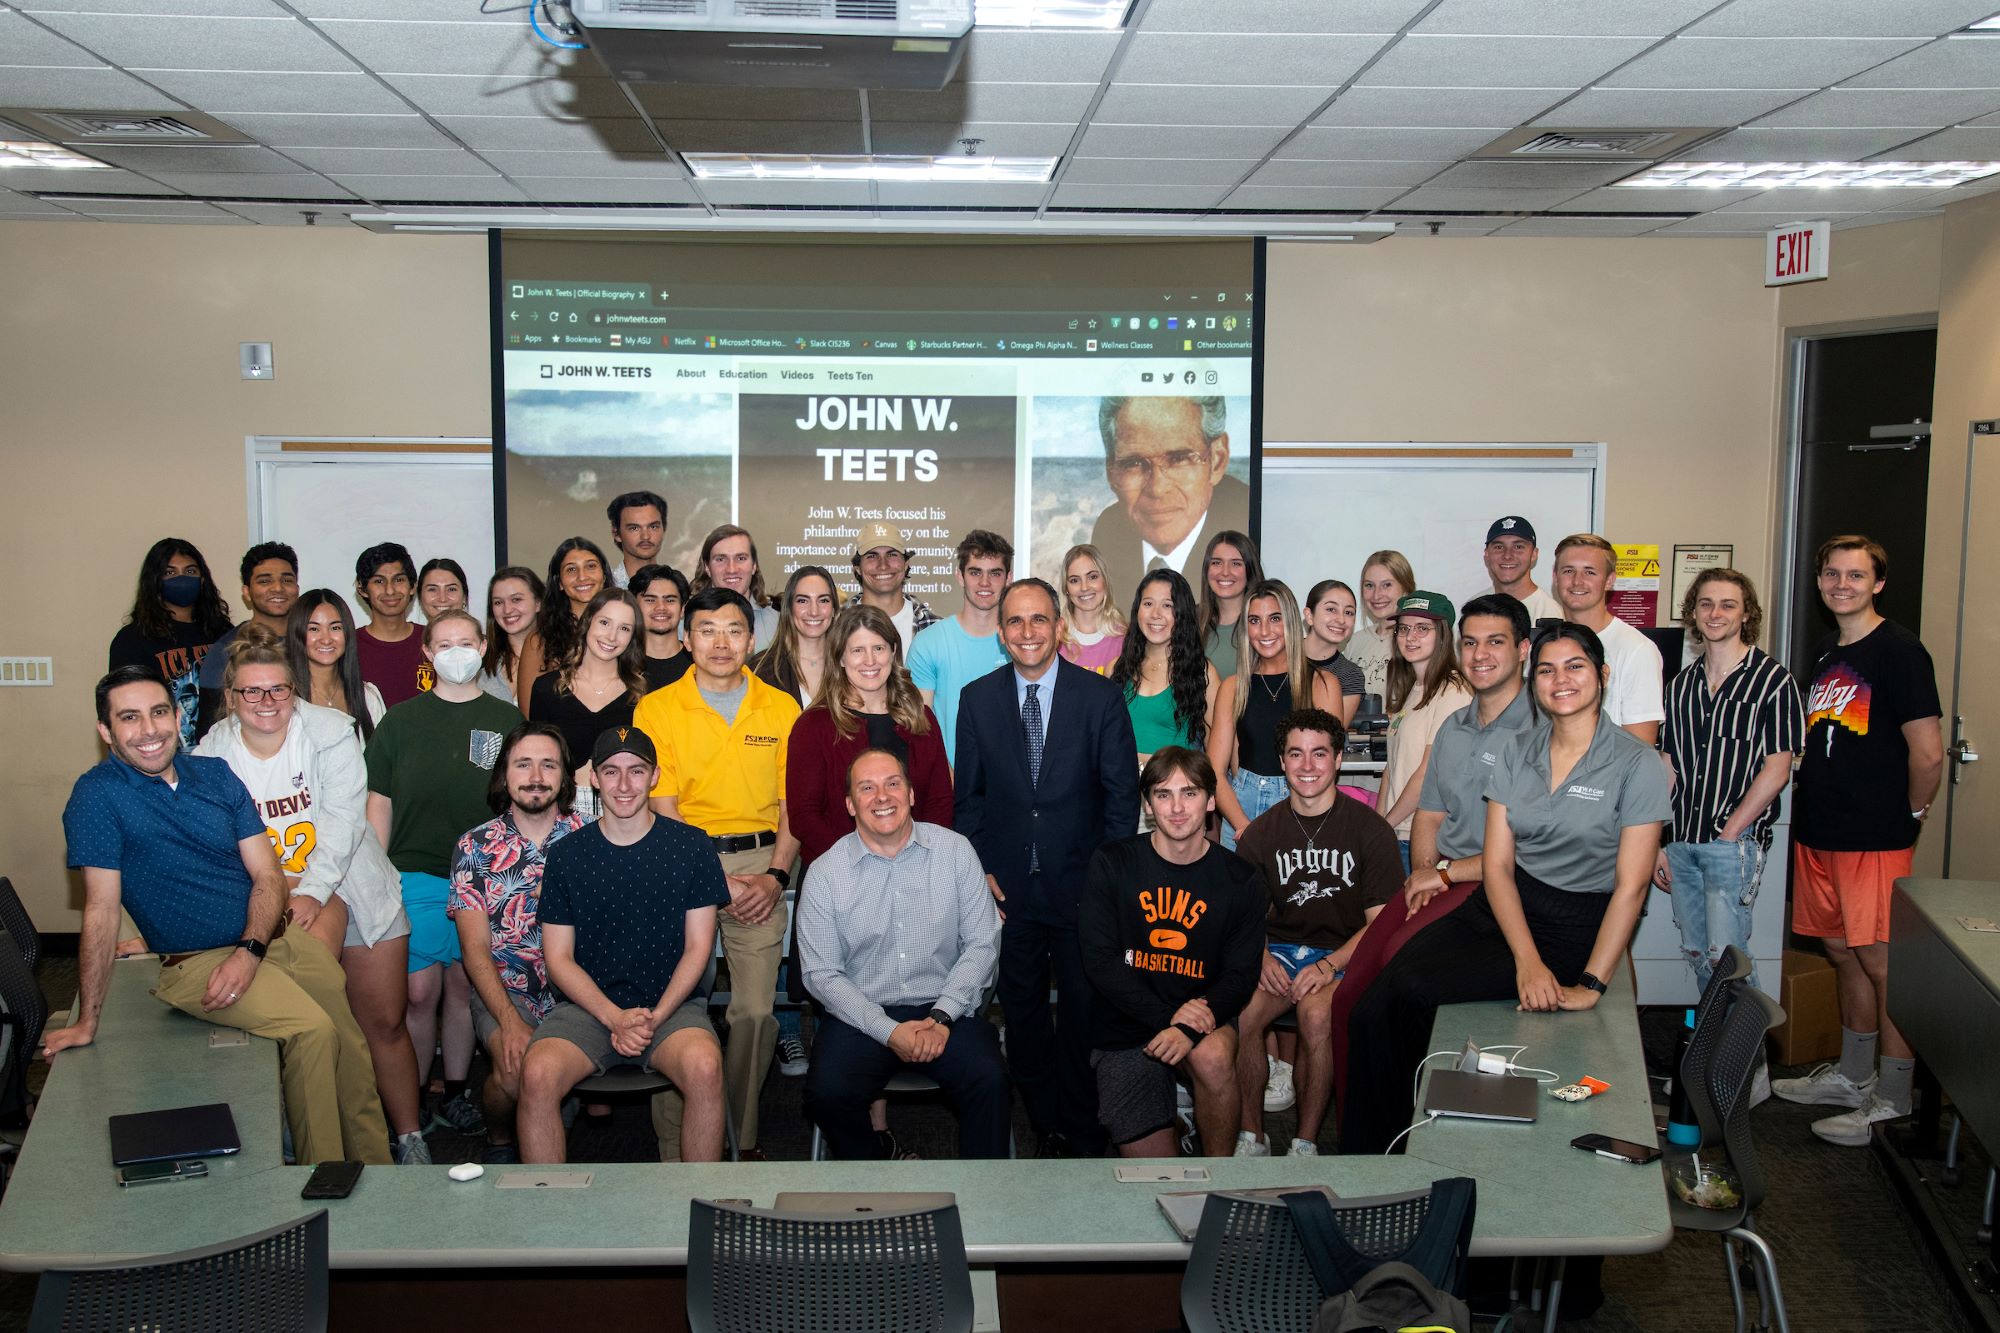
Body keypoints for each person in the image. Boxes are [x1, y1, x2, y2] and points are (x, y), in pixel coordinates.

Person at [1341, 622, 1670, 1154]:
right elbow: (1497, 866)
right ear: (1533, 678)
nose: (1560, 680)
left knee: (1418, 995)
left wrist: (1590, 983)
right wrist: (1526, 960)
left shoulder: (1637, 765)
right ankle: (1371, 1157)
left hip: (1575, 926)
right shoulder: (1518, 750)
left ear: (1602, 675)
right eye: (1546, 669)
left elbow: (1630, 889)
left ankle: (1425, 1150)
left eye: (1575, 666)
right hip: (1504, 906)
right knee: (1372, 1008)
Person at [51, 666, 390, 1165]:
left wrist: (251, 949)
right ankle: (325, 1185)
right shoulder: (97, 796)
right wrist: (87, 1021)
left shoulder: (211, 773)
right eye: (129, 718)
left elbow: (268, 875)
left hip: (268, 941)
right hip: (197, 961)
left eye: (159, 712)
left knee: (349, 1043)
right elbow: (101, 911)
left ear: (176, 718)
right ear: (106, 731)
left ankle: (379, 1175)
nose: (149, 730)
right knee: (309, 1031)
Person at [196, 629, 426, 1163]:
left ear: (294, 689)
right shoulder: (210, 752)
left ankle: (410, 1136)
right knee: (304, 1024)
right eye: (252, 692)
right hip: (266, 893)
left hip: (349, 881)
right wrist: (282, 895)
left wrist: (313, 890)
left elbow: (343, 823)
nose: (267, 702)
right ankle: (300, 1133)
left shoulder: (329, 731)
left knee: (383, 1023)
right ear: (231, 697)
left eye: (278, 689)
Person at [1328, 593, 1536, 1118]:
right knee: (1351, 994)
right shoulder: (1455, 725)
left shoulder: (1539, 730)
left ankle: (1412, 1124)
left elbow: (1523, 843)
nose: (1480, 653)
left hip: (1491, 887)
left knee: (1398, 983)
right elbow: (1429, 814)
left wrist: (1441, 874)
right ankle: (1364, 1139)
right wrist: (1423, 870)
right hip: (1440, 876)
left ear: (1524, 650)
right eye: (1471, 642)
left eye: (1495, 642)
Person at [955, 577, 1140, 1157]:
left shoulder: (1100, 697)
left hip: (1083, 889)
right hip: (1008, 892)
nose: (1027, 632)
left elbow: (1121, 797)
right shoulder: (978, 699)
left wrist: (1108, 880)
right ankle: (1046, 1127)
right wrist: (980, 867)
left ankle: (1082, 1132)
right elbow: (970, 801)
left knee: (1084, 1017)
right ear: (1002, 634)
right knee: (1026, 1020)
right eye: (1015, 622)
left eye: (1039, 620)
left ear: (1058, 627)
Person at [1773, 535, 1943, 1147]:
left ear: (1878, 583)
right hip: (1821, 833)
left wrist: (1912, 813)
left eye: (1855, 575)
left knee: (1880, 960)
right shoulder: (1824, 651)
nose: (1840, 584)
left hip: (1873, 837)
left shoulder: (1899, 652)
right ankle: (1852, 1076)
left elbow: (1928, 753)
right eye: (1831, 574)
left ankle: (1894, 1096)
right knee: (1842, 953)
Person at [633, 586, 801, 1158]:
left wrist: (776, 876)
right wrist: (712, 879)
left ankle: (736, 1133)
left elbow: (792, 806)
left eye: (733, 629)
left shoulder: (781, 707)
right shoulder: (655, 709)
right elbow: (664, 807)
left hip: (762, 869)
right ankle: (675, 1144)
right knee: (675, 1011)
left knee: (754, 1011)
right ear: (685, 639)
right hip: (681, 862)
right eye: (706, 630)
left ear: (752, 639)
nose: (721, 642)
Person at [517, 728, 731, 1164]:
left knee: (705, 1067)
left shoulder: (692, 846)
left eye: (636, 771)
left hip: (671, 1007)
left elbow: (699, 949)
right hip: (589, 1009)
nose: (624, 785)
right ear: (593, 779)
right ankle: (544, 1214)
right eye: (611, 772)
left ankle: (701, 1208)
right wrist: (614, 1017)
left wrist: (654, 1018)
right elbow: (557, 958)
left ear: (654, 777)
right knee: (537, 1073)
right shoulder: (567, 855)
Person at [799, 748, 1009, 1160]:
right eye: (867, 787)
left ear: (911, 794)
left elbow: (983, 942)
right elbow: (822, 974)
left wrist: (941, 1016)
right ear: (849, 804)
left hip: (945, 1007)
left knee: (991, 1080)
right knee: (826, 1092)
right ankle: (873, 1180)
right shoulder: (825, 873)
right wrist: (888, 1031)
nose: (882, 796)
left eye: (893, 783)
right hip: (862, 1014)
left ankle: (982, 1198)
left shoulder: (955, 851)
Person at [366, 609, 525, 1139]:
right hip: (414, 873)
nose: (456, 652)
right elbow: (379, 804)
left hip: (483, 880)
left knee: (463, 987)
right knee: (415, 993)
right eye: (444, 643)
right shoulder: (400, 722)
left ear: (483, 646)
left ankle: (456, 1090)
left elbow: (518, 803)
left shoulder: (506, 720)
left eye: (466, 641)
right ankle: (409, 1093)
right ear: (428, 653)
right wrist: (378, 877)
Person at [1079, 746, 1262, 1158]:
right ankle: (1176, 1123)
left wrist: (1188, 1028)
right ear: (1147, 805)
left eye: (1190, 792)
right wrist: (1167, 1019)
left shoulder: (1240, 880)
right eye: (1163, 794)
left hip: (1201, 1019)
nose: (1177, 807)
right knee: (1155, 1183)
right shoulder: (1113, 863)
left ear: (1211, 801)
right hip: (1126, 1023)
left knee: (1214, 1058)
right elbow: (1099, 960)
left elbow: (1240, 976)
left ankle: (1220, 1178)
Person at [1232, 709, 1399, 1157]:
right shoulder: (1260, 835)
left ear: (1339, 759)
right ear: (1282, 762)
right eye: (1296, 754)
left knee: (1315, 1015)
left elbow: (1382, 923)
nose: (1307, 766)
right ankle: (1252, 1137)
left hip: (1345, 953)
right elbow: (1240, 919)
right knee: (1242, 1014)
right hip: (1280, 951)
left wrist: (1329, 965)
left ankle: (1305, 1142)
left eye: (1319, 754)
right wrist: (1261, 954)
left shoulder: (1371, 831)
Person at [1656, 569, 1804, 993]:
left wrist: (1728, 835)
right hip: (1681, 843)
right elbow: (1669, 765)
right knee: (1698, 954)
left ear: (1746, 615)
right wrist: (1659, 842)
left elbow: (1777, 770)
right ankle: (1714, 1053)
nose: (1714, 613)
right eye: (1705, 604)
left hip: (1731, 845)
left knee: (1729, 957)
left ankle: (1750, 1060)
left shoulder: (1774, 682)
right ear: (1693, 613)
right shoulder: (1680, 686)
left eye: (1727, 605)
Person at [450, 722, 590, 1162]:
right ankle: (497, 1138)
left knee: (547, 1093)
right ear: (504, 775)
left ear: (565, 777)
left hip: (580, 992)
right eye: (523, 764)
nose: (535, 776)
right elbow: (474, 951)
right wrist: (509, 1020)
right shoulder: (475, 846)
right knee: (515, 1072)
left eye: (549, 765)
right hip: (507, 989)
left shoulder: (591, 838)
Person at [1208, 579, 1343, 851]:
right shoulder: (1233, 687)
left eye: (1275, 618)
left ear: (1292, 622)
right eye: (1255, 620)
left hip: (1303, 805)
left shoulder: (1323, 683)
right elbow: (1214, 771)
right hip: (1241, 809)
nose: (1265, 630)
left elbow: (1327, 766)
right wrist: (1242, 825)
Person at [1089, 396, 1251, 604]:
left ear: (1217, 460)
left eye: (1179, 459)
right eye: (1135, 463)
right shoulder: (1110, 530)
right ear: (1111, 471)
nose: (1157, 489)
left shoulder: (1246, 524)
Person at [529, 587, 646, 820]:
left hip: (626, 808)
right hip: (560, 808)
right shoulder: (547, 688)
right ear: (588, 622)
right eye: (604, 622)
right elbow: (537, 759)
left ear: (633, 637)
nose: (612, 636)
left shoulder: (644, 694)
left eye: (624, 628)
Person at [1377, 592, 1475, 868]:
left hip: (1423, 837)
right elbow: (1392, 767)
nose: (1411, 636)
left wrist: (1384, 827)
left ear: (1443, 633)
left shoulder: (1453, 691)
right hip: (1398, 833)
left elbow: (1428, 774)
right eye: (1404, 628)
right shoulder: (1412, 689)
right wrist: (1380, 825)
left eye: (1422, 628)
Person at [109, 537, 233, 747]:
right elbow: (122, 707)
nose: (182, 578)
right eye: (170, 572)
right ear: (155, 580)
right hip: (160, 752)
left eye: (191, 571)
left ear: (203, 579)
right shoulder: (132, 639)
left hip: (220, 749)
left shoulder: (223, 632)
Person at [908, 529, 1012, 763]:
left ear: (1009, 578)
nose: (985, 582)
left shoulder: (1023, 644)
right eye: (975, 572)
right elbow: (919, 729)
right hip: (950, 783)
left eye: (995, 573)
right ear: (960, 576)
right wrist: (947, 779)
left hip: (1014, 786)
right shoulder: (928, 643)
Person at [1553, 532, 1663, 745]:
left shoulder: (1637, 650)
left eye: (1590, 572)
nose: (1577, 581)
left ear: (1609, 580)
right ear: (1555, 578)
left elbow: (1640, 749)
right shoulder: (1548, 646)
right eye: (1568, 571)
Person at [1110, 569, 1219, 770]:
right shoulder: (1116, 668)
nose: (1155, 614)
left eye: (1167, 605)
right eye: (1148, 604)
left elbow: (1216, 741)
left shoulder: (1202, 672)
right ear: (1137, 610)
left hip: (1175, 791)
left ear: (1182, 613)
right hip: (1122, 786)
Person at [196, 542, 301, 734]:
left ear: (297, 588)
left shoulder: (315, 643)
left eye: (287, 580)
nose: (278, 588)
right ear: (246, 592)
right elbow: (210, 729)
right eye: (264, 581)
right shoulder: (226, 650)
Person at [521, 537, 610, 709]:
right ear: (560, 583)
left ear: (604, 576)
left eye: (591, 566)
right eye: (571, 570)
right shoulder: (539, 641)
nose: (582, 576)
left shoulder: (624, 633)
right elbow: (529, 715)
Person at [289, 589, 385, 740]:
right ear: (298, 633)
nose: (326, 639)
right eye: (314, 629)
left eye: (335, 628)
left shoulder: (368, 697)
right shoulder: (283, 699)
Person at [353, 542, 429, 708]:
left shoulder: (432, 641)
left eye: (399, 579)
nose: (390, 590)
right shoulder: (349, 646)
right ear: (362, 589)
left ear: (413, 586)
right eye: (379, 581)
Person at [755, 565, 840, 706]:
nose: (814, 611)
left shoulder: (850, 667)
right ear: (789, 609)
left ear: (834, 609)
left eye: (823, 600)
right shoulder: (762, 669)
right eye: (803, 601)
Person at [851, 519, 938, 654]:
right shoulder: (834, 627)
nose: (883, 565)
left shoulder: (936, 629)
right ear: (857, 568)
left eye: (892, 555)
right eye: (872, 556)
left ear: (906, 564)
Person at [690, 524, 780, 652]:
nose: (731, 569)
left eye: (741, 558)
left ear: (754, 565)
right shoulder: (685, 622)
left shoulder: (778, 623)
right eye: (721, 559)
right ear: (707, 568)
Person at [1350, 550, 1414, 709]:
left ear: (1406, 588)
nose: (1377, 595)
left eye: (1387, 585)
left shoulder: (1417, 641)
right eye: (1369, 585)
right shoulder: (1355, 641)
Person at [1196, 530, 1261, 680]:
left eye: (1236, 563)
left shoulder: (1265, 626)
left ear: (1250, 570)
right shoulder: (1190, 620)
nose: (1225, 572)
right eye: (1217, 563)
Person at [1301, 579, 1364, 726]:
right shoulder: (1282, 658)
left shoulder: (1350, 675)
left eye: (1349, 612)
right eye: (1331, 609)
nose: (1341, 619)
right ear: (1309, 616)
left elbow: (1333, 737)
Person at [1479, 516, 1564, 625]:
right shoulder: (1475, 607)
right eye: (1499, 547)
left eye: (1518, 547)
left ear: (1534, 554)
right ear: (1487, 554)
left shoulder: (1551, 614)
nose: (1507, 556)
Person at [1057, 543, 1126, 675]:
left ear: (1105, 581)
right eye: (1074, 580)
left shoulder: (1125, 640)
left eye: (1092, 577)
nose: (1084, 587)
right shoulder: (1055, 639)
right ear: (1066, 588)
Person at [481, 566, 545, 705]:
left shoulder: (563, 659)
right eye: (498, 602)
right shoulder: (480, 662)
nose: (507, 610)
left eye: (516, 599)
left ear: (538, 603)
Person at [631, 563, 693, 690]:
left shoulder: (699, 662)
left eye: (670, 600)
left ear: (682, 609)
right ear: (633, 606)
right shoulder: (619, 663)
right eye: (650, 600)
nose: (660, 607)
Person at [605, 489, 669, 590]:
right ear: (616, 533)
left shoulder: (677, 587)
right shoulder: (605, 588)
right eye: (634, 528)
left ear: (664, 529)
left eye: (653, 527)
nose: (645, 536)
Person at [417, 557, 469, 623]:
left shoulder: (475, 633)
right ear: (420, 597)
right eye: (432, 589)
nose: (442, 599)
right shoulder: (416, 633)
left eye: (451, 589)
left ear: (464, 596)